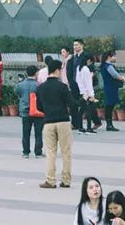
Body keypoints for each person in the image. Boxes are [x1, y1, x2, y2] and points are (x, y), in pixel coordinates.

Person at [36, 58, 73, 189]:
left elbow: (39, 107)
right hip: (63, 121)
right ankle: (66, 180)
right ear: (57, 70)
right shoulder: (62, 87)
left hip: (48, 122)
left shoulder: (40, 88)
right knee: (66, 152)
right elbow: (71, 104)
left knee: (50, 152)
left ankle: (50, 180)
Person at [16, 64, 44, 158]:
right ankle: (38, 152)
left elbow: (16, 92)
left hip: (25, 111)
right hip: (38, 111)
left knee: (26, 133)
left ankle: (26, 152)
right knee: (38, 133)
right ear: (36, 73)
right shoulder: (39, 85)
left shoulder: (20, 85)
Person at [100, 52, 125, 132]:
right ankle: (109, 124)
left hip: (107, 87)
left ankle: (109, 124)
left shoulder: (103, 65)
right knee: (110, 106)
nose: (115, 58)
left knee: (109, 105)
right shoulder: (109, 66)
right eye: (114, 56)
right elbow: (115, 75)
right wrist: (122, 78)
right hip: (112, 87)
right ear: (109, 57)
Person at [77, 54, 102, 134]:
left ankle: (80, 127)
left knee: (81, 110)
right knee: (89, 111)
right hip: (87, 93)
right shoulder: (86, 69)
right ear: (88, 60)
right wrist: (92, 95)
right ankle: (88, 127)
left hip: (82, 92)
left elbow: (78, 81)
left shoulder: (79, 68)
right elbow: (88, 83)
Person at [66, 39, 86, 131]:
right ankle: (75, 123)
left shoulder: (86, 56)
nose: (75, 47)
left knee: (84, 104)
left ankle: (92, 122)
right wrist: (71, 82)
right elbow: (69, 71)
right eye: (74, 45)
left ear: (82, 45)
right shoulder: (72, 59)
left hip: (84, 85)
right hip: (74, 84)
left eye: (77, 45)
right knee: (73, 104)